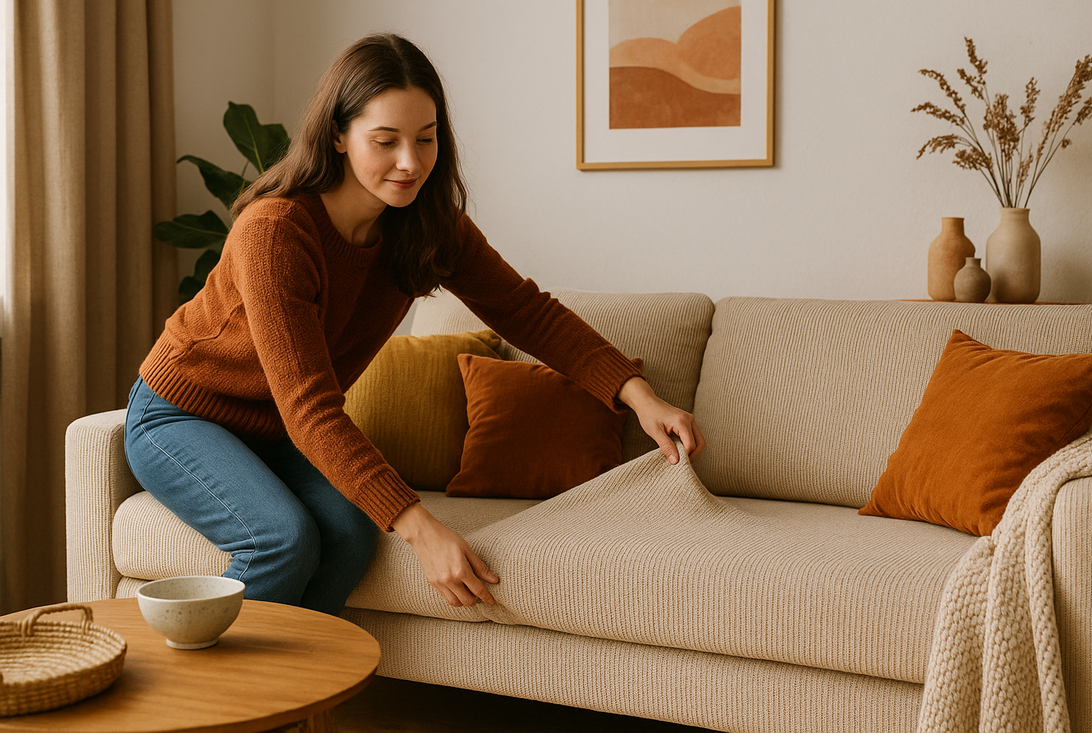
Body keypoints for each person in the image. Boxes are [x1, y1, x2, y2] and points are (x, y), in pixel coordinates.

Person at [124, 33, 705, 616]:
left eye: (425, 139)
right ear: (338, 135)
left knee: (350, 538)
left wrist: (636, 394)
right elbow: (310, 408)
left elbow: (526, 311)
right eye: (386, 141)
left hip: (275, 430)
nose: (411, 162)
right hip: (180, 417)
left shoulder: (426, 226)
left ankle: (291, 693)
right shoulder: (277, 231)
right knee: (282, 541)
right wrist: (423, 530)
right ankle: (211, 702)